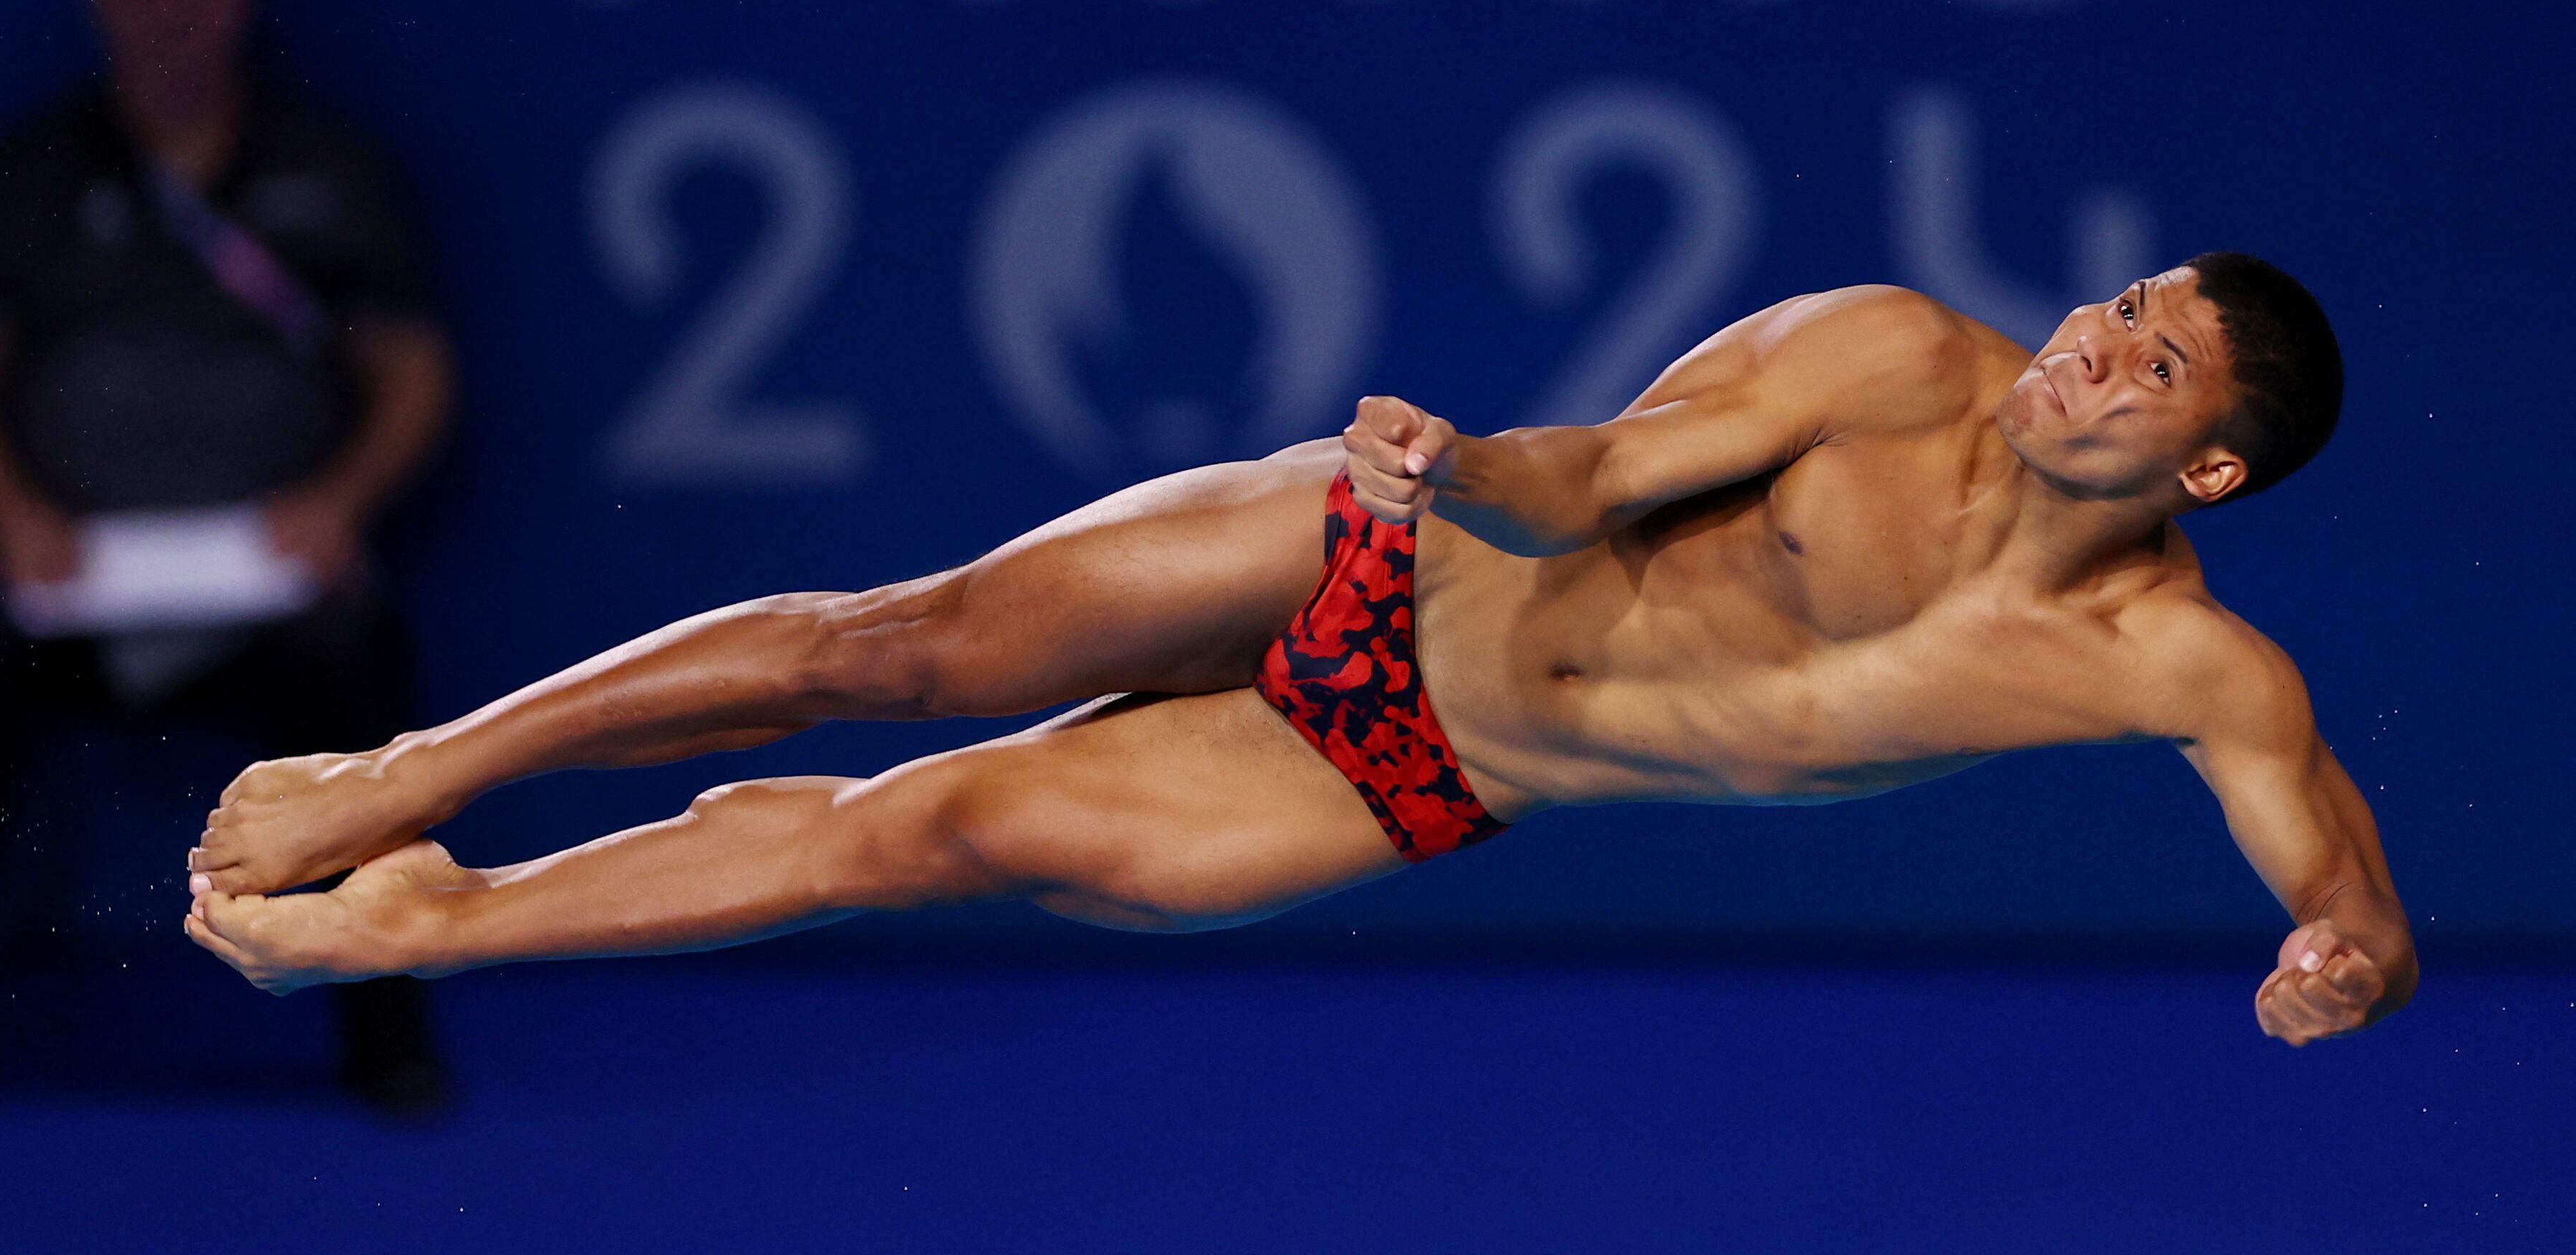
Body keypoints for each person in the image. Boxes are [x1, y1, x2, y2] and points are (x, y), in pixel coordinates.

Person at [184, 258, 2411, 1048]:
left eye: (2148, 374)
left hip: (1405, 780)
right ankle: (423, 767)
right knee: (904, 647)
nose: (2090, 355)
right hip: (1397, 558)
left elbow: (2343, 890)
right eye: (2115, 309)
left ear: (2201, 474)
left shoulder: (2178, 673)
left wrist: (2337, 962)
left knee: (917, 840)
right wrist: (1468, 467)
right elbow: (1604, 467)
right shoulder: (1885, 352)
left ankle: (429, 927)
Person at [0, 0, 458, 1124]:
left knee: (361, 663)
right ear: (99, 2)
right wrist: (13, 515)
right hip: (65, 567)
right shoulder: (28, 169)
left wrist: (339, 503)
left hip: (272, 571)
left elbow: (411, 369)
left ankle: (388, 1029)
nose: (169, 9)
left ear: (240, 0)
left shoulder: (325, 168)